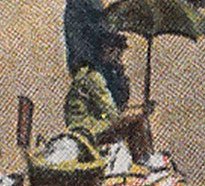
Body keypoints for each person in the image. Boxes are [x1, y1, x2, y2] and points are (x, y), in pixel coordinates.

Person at [48, 0, 129, 107]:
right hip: (87, 59)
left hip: (90, 59)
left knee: (100, 100)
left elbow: (92, 27)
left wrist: (84, 60)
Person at [64, 34, 153, 163]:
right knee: (137, 122)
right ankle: (144, 162)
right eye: (117, 54)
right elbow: (112, 114)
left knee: (136, 119)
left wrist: (139, 108)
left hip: (87, 126)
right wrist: (140, 112)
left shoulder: (95, 72)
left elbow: (112, 109)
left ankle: (143, 159)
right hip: (86, 130)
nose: (119, 58)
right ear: (107, 51)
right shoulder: (93, 78)